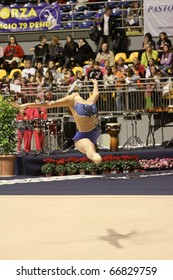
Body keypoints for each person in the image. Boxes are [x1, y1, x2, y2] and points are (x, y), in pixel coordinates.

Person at [13, 79, 102, 164]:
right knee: (90, 148)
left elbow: (96, 94)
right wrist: (26, 105)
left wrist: (95, 84)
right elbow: (49, 104)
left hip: (95, 132)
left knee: (91, 146)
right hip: (83, 136)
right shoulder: (72, 100)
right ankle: (94, 156)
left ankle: (94, 154)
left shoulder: (90, 101)